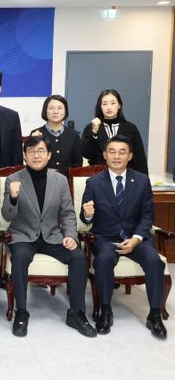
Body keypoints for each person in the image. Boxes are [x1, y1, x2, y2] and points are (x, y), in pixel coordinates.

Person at [2, 136, 96, 338]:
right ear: (25, 156)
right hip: (24, 235)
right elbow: (7, 215)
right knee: (19, 258)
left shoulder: (60, 180)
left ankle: (76, 313)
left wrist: (70, 235)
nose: (36, 155)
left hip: (52, 235)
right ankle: (21, 312)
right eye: (31, 151)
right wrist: (13, 197)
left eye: (41, 151)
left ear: (49, 155)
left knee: (79, 257)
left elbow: (67, 213)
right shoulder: (13, 179)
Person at [80, 135, 167, 339]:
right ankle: (106, 310)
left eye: (122, 152)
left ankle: (154, 315)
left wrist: (136, 238)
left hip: (136, 238)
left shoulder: (142, 181)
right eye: (112, 151)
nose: (117, 156)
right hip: (106, 238)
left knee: (155, 262)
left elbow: (147, 216)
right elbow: (85, 217)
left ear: (130, 156)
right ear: (104, 155)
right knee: (103, 260)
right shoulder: (94, 182)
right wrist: (88, 214)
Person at [81, 89, 148, 175]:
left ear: (119, 105)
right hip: (99, 176)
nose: (109, 107)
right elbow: (87, 154)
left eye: (113, 103)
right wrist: (94, 133)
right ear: (100, 107)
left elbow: (140, 159)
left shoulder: (130, 128)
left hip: (125, 175)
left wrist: (144, 180)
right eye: (105, 104)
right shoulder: (91, 127)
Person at [30, 94, 82, 177]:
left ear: (65, 111)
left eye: (60, 108)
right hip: (41, 180)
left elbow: (77, 164)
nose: (55, 111)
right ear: (45, 111)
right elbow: (30, 162)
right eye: (51, 108)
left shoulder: (73, 135)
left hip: (66, 182)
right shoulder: (36, 133)